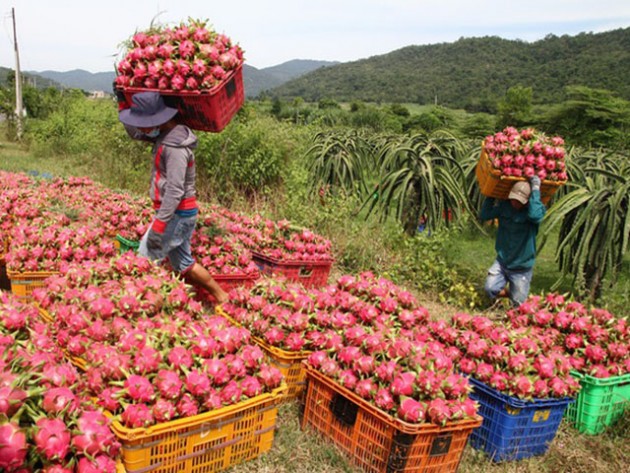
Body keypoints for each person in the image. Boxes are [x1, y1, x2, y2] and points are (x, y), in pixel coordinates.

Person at [118, 91, 228, 304]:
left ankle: (147, 308)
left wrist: (159, 226)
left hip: (176, 214)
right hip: (180, 214)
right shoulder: (166, 134)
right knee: (184, 264)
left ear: (158, 120)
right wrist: (123, 102)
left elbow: (175, 191)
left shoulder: (175, 146)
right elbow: (136, 133)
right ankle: (223, 298)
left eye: (143, 122)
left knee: (144, 262)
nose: (141, 127)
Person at [480, 176, 545, 307]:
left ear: (527, 201)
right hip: (503, 262)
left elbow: (535, 216)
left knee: (518, 306)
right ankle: (513, 292)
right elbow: (484, 215)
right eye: (513, 199)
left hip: (521, 267)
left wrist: (536, 190)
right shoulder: (505, 207)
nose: (515, 203)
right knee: (490, 288)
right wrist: (491, 194)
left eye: (519, 201)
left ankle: (517, 294)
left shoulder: (532, 212)